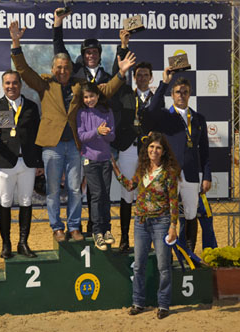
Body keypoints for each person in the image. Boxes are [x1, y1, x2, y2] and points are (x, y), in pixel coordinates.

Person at [9, 21, 135, 242]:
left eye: (66, 67)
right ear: (52, 69)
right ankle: (57, 227)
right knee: (53, 191)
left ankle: (74, 226)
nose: (63, 71)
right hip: (52, 146)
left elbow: (104, 90)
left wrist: (121, 73)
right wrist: (16, 44)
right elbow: (23, 70)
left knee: (76, 188)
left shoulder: (80, 84)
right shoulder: (44, 85)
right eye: (58, 67)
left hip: (77, 146)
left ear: (71, 68)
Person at [53, 8, 113, 234]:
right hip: (77, 136)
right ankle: (74, 225)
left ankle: (95, 226)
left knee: (97, 190)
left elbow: (117, 83)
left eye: (94, 52)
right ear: (82, 54)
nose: (91, 55)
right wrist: (57, 24)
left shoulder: (106, 77)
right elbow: (59, 50)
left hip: (98, 141)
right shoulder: (74, 71)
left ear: (99, 53)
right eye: (87, 52)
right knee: (76, 186)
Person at [112, 131, 180, 319]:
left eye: (158, 148)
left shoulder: (169, 172)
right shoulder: (141, 169)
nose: (154, 150)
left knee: (163, 266)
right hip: (141, 222)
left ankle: (164, 305)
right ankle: (138, 302)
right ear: (146, 149)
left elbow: (174, 201)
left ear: (164, 151)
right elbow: (130, 186)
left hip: (162, 223)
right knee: (138, 265)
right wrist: (115, 168)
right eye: (151, 147)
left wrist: (173, 226)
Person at [110, 30, 165, 253]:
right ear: (134, 77)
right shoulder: (125, 94)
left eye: (145, 75)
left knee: (148, 196)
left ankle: (147, 240)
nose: (141, 78)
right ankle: (124, 238)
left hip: (149, 154)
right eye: (138, 75)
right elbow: (117, 71)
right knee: (127, 194)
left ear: (151, 78)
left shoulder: (157, 100)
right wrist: (123, 45)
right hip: (127, 151)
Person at [147, 70, 212, 254]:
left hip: (191, 173)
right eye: (177, 92)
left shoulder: (199, 119)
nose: (181, 95)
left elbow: (205, 150)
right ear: (172, 95)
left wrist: (206, 175)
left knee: (191, 214)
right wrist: (164, 83)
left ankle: (189, 254)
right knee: (166, 215)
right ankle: (164, 255)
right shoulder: (165, 116)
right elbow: (151, 110)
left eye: (185, 92)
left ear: (190, 93)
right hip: (169, 172)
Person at [0, 70, 43, 259]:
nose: (11, 86)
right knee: (5, 202)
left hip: (27, 162)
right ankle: (6, 244)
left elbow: (37, 137)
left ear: (20, 84)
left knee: (26, 201)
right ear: (3, 85)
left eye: (14, 83)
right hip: (6, 162)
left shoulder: (31, 107)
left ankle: (23, 243)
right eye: (7, 83)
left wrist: (40, 162)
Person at [76, 82, 115, 250]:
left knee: (105, 194)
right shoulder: (81, 113)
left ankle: (107, 230)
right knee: (97, 195)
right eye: (85, 97)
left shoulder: (107, 112)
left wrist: (106, 134)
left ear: (98, 96)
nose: (89, 99)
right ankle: (97, 231)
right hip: (89, 160)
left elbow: (112, 136)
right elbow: (82, 136)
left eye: (92, 96)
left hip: (106, 160)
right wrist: (97, 132)